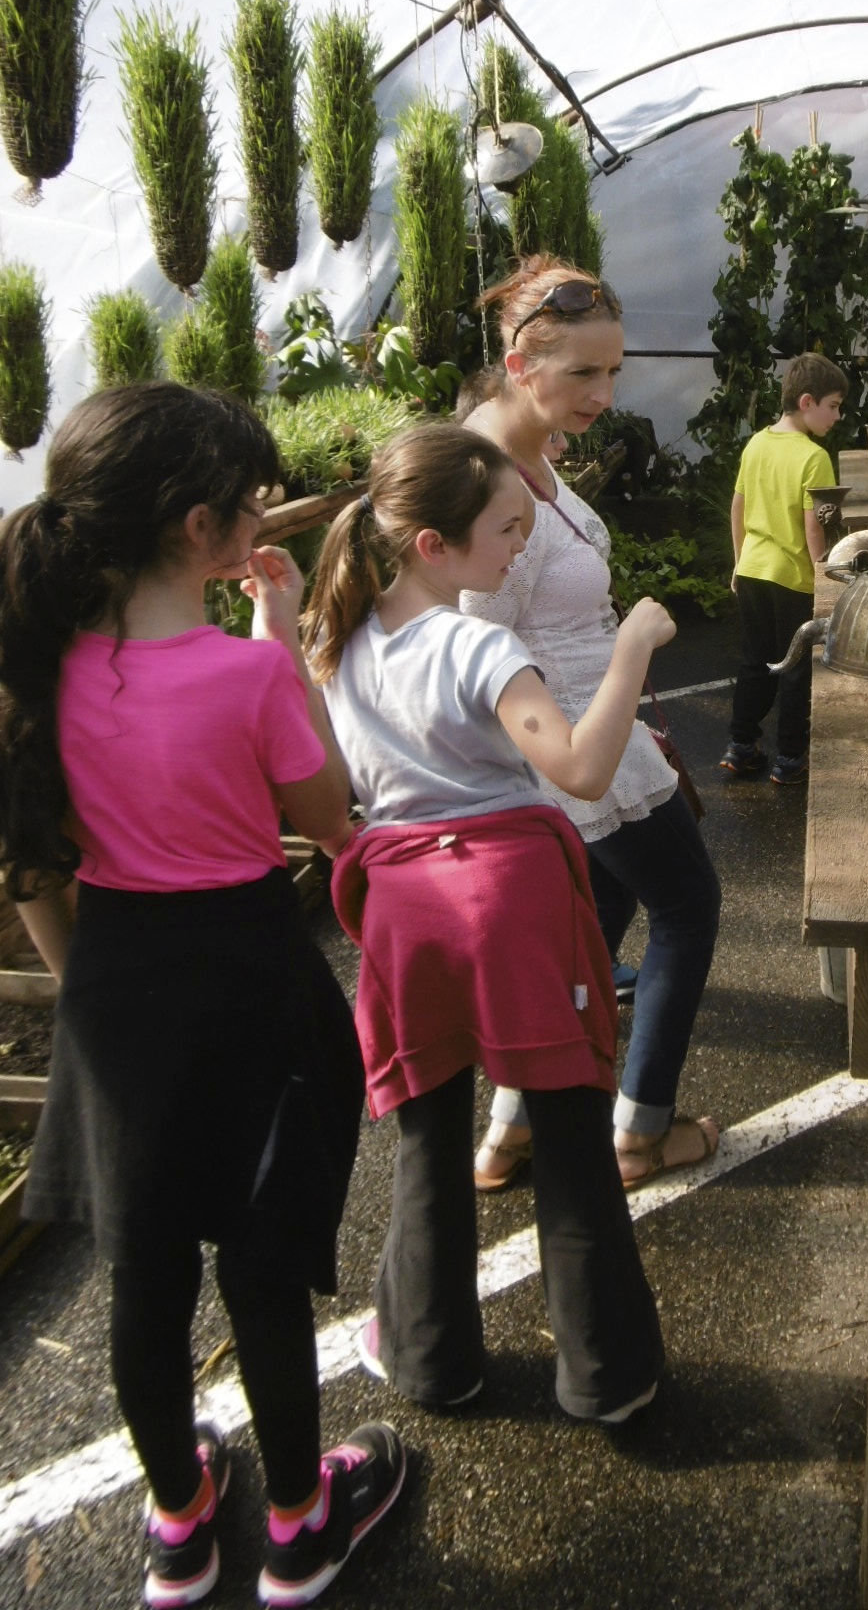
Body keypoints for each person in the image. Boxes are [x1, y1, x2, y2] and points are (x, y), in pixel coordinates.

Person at [0, 383, 403, 1610]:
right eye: (248, 504)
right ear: (198, 528)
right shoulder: (246, 676)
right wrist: (281, 636)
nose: (263, 517)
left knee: (144, 1273)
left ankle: (178, 1523)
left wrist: (94, 1002)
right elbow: (333, 822)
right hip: (250, 989)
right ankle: (299, 1520)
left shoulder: (39, 670)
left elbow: (34, 874)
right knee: (263, 1271)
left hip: (118, 990)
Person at [307, 422, 673, 1421]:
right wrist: (633, 646)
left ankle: (434, 1362)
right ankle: (607, 1374)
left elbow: (321, 764)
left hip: (401, 910)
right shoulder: (478, 643)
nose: (519, 546)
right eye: (507, 529)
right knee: (566, 1130)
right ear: (434, 543)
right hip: (508, 902)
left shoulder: (340, 641)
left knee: (428, 1138)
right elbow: (583, 768)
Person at [460, 259, 721, 1189]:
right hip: (570, 747)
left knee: (601, 913)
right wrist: (627, 656)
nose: (606, 395)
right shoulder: (491, 480)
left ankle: (512, 1126)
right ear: (518, 361)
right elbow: (476, 648)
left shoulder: (520, 452)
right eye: (583, 374)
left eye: (614, 372)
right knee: (689, 905)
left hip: (583, 736)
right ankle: (640, 1132)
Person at [722, 352, 847, 784]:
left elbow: (737, 507)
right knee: (795, 669)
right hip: (793, 578)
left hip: (754, 570)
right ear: (807, 401)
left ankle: (741, 747)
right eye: (833, 406)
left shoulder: (756, 443)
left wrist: (739, 562)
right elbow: (814, 528)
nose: (837, 415)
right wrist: (823, 576)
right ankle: (790, 758)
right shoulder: (814, 457)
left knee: (755, 661)